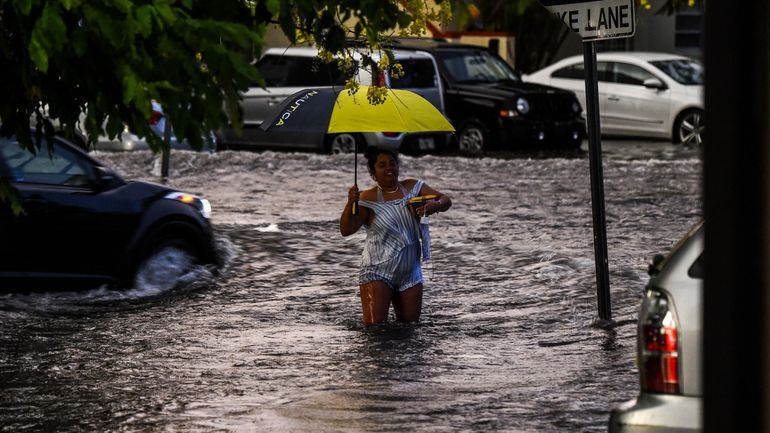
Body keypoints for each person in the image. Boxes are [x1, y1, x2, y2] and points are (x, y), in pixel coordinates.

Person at [340, 146, 452, 325]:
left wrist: (435, 206)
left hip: (411, 272)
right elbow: (346, 230)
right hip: (377, 271)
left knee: (410, 329)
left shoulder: (414, 187)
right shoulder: (367, 198)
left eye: (392, 163)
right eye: (382, 165)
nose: (389, 168)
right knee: (375, 330)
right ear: (373, 172)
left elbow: (445, 199)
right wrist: (350, 203)